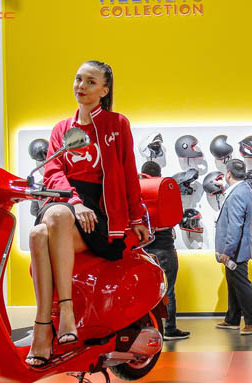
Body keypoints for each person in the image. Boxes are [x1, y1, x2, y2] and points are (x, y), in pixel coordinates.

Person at [25, 60, 150, 367]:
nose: (81, 86)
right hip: (69, 203)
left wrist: (137, 219)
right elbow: (53, 170)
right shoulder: (61, 129)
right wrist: (76, 202)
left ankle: (45, 328)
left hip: (105, 214)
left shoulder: (117, 124)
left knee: (41, 232)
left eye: (91, 82)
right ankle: (59, 316)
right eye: (78, 79)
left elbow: (128, 172)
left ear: (104, 90)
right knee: (44, 226)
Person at [140, 160, 190, 340]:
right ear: (159, 173)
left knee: (144, 290)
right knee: (168, 289)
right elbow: (176, 216)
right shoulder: (164, 189)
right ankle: (169, 328)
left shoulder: (137, 189)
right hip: (164, 246)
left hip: (142, 247)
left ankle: (145, 328)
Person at [214, 159, 252, 335]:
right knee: (233, 283)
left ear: (228, 173)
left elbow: (235, 225)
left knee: (241, 284)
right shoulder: (241, 189)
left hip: (236, 251)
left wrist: (228, 251)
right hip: (237, 249)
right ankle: (232, 319)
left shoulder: (238, 193)